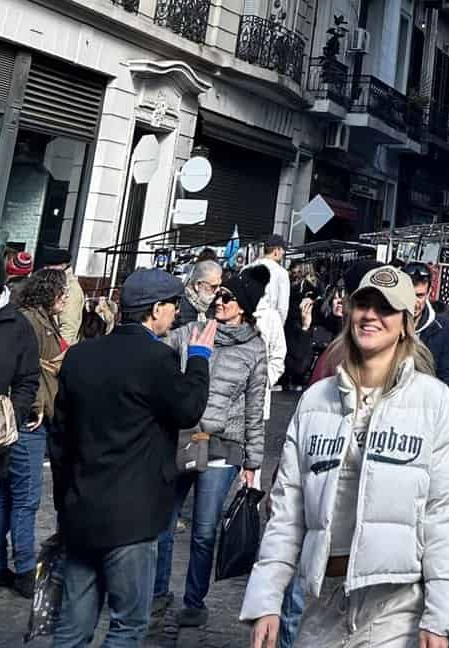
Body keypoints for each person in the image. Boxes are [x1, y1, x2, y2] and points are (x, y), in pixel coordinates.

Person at [240, 265, 449, 648]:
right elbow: (287, 509)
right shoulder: (316, 401)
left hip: (397, 606)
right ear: (349, 311)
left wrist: (441, 615)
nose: (371, 315)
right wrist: (266, 597)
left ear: (405, 323)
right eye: (364, 304)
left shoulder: (433, 401)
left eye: (386, 308)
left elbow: (443, 513)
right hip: (322, 599)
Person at [51, 269, 214, 648]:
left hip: (81, 510)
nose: (176, 314)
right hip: (132, 516)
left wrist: (65, 501)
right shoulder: (157, 359)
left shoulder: (80, 356)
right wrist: (202, 358)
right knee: (127, 626)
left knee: (73, 627)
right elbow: (188, 409)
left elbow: (60, 438)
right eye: (174, 306)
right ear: (155, 309)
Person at [154, 272, 267, 628]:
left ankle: (194, 600)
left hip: (222, 446)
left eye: (228, 298)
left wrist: (253, 461)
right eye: (218, 295)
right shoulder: (194, 331)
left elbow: (255, 407)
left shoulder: (254, 348)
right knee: (164, 524)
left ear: (244, 308)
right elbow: (157, 349)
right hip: (186, 437)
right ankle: (158, 593)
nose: (219, 301)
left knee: (204, 530)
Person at [0, 267, 66, 593]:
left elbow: (30, 373)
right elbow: (32, 371)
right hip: (25, 424)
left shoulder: (28, 321)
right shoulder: (29, 322)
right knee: (23, 499)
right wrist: (33, 408)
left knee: (8, 497)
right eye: (62, 295)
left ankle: (8, 565)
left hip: (16, 421)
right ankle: (24, 567)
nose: (65, 301)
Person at [0, 262, 40, 593]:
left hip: (0, 429)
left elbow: (28, 379)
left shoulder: (17, 326)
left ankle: (15, 566)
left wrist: (14, 412)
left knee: (5, 497)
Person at [242, 265, 287, 416]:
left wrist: (265, 380)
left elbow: (279, 353)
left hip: (257, 396)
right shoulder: (235, 310)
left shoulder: (271, 317)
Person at [407, 264, 449, 387]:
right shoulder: (389, 321)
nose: (414, 302)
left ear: (429, 293)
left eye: (420, 296)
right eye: (409, 294)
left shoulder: (441, 325)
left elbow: (447, 372)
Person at [34, 243, 85, 345]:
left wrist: (56, 356)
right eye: (46, 265)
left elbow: (68, 328)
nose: (46, 268)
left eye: (50, 265)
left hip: (54, 353)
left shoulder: (71, 289)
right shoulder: (54, 283)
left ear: (63, 266)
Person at [246, 235, 291, 325]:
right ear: (276, 251)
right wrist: (278, 328)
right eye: (282, 250)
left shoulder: (246, 268)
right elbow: (282, 308)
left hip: (245, 321)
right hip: (266, 324)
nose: (283, 253)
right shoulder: (281, 273)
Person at [176, 258, 224, 329]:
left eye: (219, 285)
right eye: (214, 286)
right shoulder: (180, 308)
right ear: (197, 285)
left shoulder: (207, 305)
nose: (218, 290)